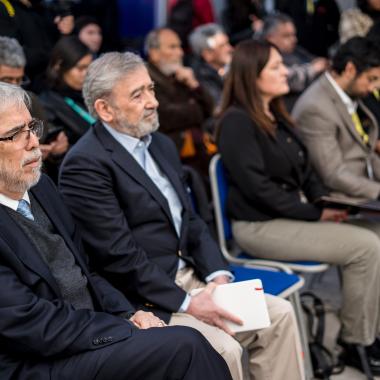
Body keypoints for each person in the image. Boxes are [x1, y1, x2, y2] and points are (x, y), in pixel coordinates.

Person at [59, 51, 305, 380]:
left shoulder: (160, 144)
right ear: (104, 109)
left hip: (194, 277)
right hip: (146, 297)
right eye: (137, 94)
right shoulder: (85, 165)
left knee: (281, 315)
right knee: (224, 350)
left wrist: (218, 276)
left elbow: (192, 221)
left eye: (151, 89)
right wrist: (188, 303)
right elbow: (119, 256)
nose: (153, 102)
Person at [0, 82, 232, 380]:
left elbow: (89, 272)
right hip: (36, 362)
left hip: (88, 333)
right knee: (185, 346)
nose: (33, 142)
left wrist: (128, 313)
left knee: (186, 342)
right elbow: (32, 325)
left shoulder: (41, 186)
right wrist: (121, 329)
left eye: (31, 127)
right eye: (14, 134)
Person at [216, 38, 380, 377]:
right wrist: (316, 213)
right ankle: (356, 342)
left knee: (375, 231)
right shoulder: (236, 122)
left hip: (288, 215)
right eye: (275, 66)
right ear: (252, 75)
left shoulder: (277, 115)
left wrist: (326, 203)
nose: (285, 71)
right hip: (259, 226)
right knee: (366, 247)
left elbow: (308, 176)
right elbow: (257, 190)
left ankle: (370, 327)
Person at [293, 37, 380, 202]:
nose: (374, 87)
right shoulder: (315, 107)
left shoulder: (351, 95)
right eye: (372, 79)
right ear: (350, 70)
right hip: (342, 200)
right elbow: (333, 175)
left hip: (364, 190)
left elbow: (366, 154)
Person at [145, 27, 215, 178]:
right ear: (154, 53)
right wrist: (196, 109)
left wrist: (194, 84)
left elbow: (210, 109)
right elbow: (165, 116)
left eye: (180, 46)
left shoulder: (181, 75)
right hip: (171, 157)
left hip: (197, 153)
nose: (180, 52)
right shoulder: (146, 78)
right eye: (172, 47)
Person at [0, 36, 69, 182]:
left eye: (19, 80)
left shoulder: (31, 101)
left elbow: (42, 144)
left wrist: (53, 152)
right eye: (6, 81)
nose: (15, 87)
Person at [0, 0, 74, 91]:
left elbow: (67, 46)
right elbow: (11, 53)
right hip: (22, 85)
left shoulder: (46, 9)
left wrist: (67, 30)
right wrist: (53, 58)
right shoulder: (4, 8)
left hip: (53, 85)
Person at [260, 12, 328, 109]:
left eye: (293, 35)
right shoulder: (262, 56)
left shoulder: (296, 50)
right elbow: (290, 78)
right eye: (286, 36)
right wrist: (313, 69)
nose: (294, 39)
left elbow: (318, 61)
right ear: (270, 38)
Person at [40, 36, 94, 145]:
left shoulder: (91, 94)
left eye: (89, 67)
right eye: (80, 68)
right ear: (59, 66)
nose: (86, 73)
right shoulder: (47, 105)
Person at [189, 23, 233, 106]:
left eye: (228, 43)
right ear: (207, 54)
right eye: (222, 46)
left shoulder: (228, 68)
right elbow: (220, 106)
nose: (230, 49)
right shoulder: (202, 79)